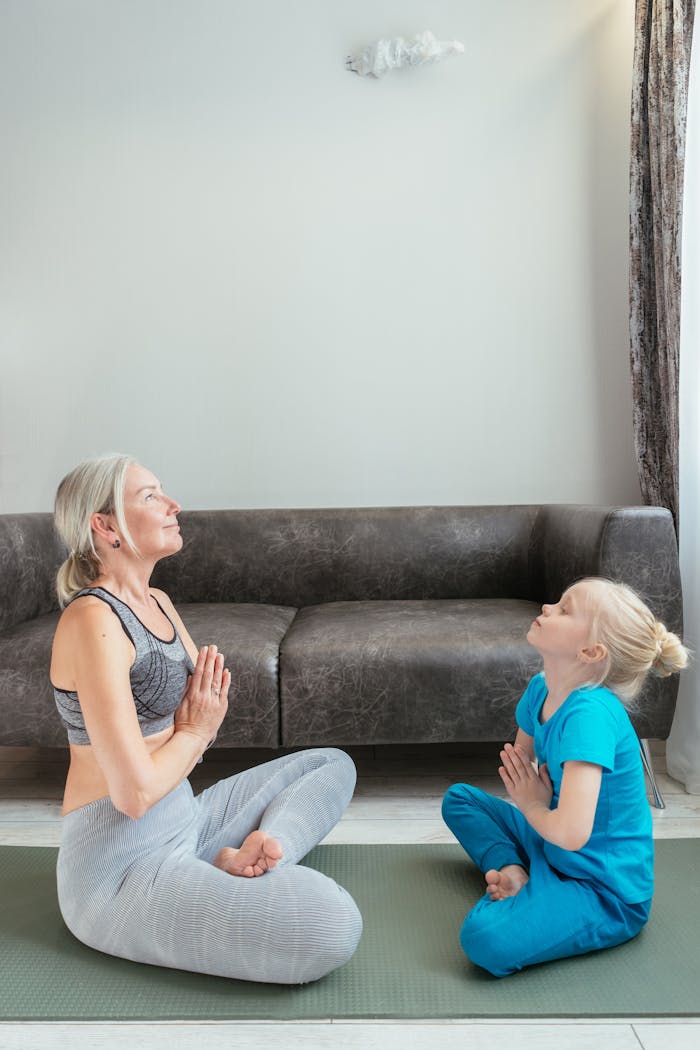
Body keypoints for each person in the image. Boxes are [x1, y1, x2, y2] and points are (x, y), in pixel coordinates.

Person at [50, 453, 362, 984]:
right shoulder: (92, 620)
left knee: (331, 764)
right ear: (104, 526)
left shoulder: (160, 602)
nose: (173, 506)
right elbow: (134, 793)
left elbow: (196, 724)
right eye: (150, 497)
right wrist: (197, 730)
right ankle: (240, 871)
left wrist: (199, 728)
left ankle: (263, 854)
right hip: (120, 868)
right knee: (331, 924)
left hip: (186, 820)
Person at [442, 577, 689, 977]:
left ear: (591, 651)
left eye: (564, 608)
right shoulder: (541, 688)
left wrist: (534, 803)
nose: (547, 608)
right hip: (550, 841)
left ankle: (528, 891)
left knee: (483, 939)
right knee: (461, 800)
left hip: (602, 889)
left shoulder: (589, 716)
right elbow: (519, 765)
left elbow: (572, 832)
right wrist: (533, 803)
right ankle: (515, 873)